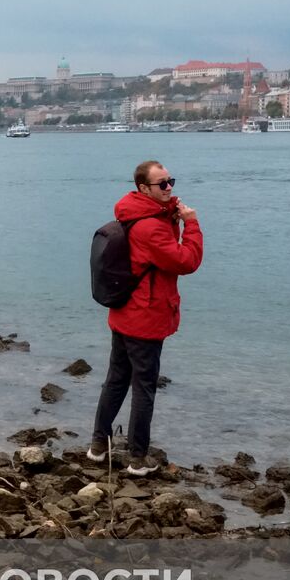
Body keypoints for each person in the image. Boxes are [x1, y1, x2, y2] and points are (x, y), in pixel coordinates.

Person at [89, 160, 203, 476]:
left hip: (125, 313)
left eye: (171, 182)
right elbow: (185, 260)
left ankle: (99, 445)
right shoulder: (150, 226)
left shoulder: (136, 213)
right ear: (143, 189)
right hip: (145, 318)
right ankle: (137, 458)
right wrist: (191, 223)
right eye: (162, 185)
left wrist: (172, 211)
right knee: (144, 387)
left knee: (116, 379)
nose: (170, 188)